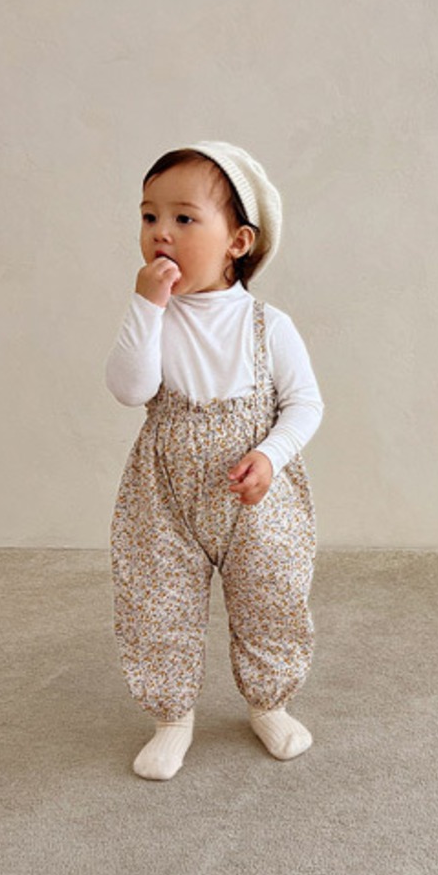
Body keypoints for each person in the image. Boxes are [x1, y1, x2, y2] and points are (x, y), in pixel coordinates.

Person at [106, 141, 323, 780]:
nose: (161, 233)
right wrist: (146, 307)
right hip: (165, 493)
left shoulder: (267, 325)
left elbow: (305, 405)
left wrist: (269, 456)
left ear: (237, 242)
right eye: (149, 216)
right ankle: (171, 718)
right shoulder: (155, 319)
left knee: (271, 594)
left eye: (183, 218)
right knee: (157, 600)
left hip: (254, 493)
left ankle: (270, 701)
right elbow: (130, 389)